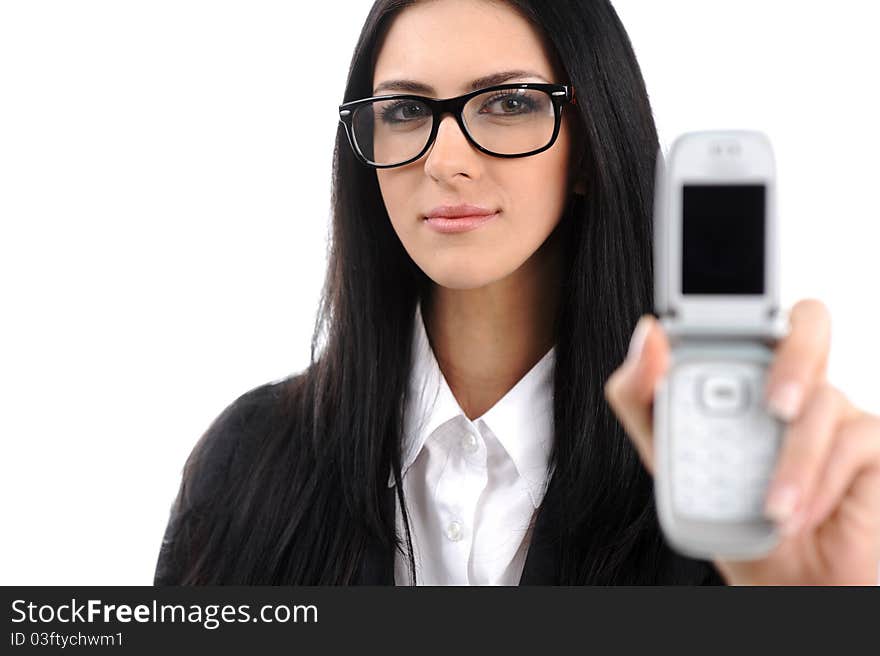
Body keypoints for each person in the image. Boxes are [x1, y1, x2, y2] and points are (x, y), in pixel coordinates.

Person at [153, 0, 880, 585]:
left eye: (507, 104)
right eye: (405, 111)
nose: (444, 161)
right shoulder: (248, 466)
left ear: (591, 145)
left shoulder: (731, 495)